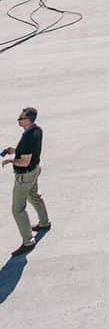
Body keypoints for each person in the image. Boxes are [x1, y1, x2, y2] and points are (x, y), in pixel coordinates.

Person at [2, 107, 50, 257]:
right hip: (35, 171)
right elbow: (29, 151)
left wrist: (10, 160)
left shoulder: (28, 136)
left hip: (25, 176)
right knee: (34, 196)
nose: (18, 120)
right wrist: (14, 150)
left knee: (18, 209)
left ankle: (28, 242)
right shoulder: (37, 130)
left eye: (21, 118)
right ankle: (44, 223)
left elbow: (24, 161)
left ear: (29, 119)